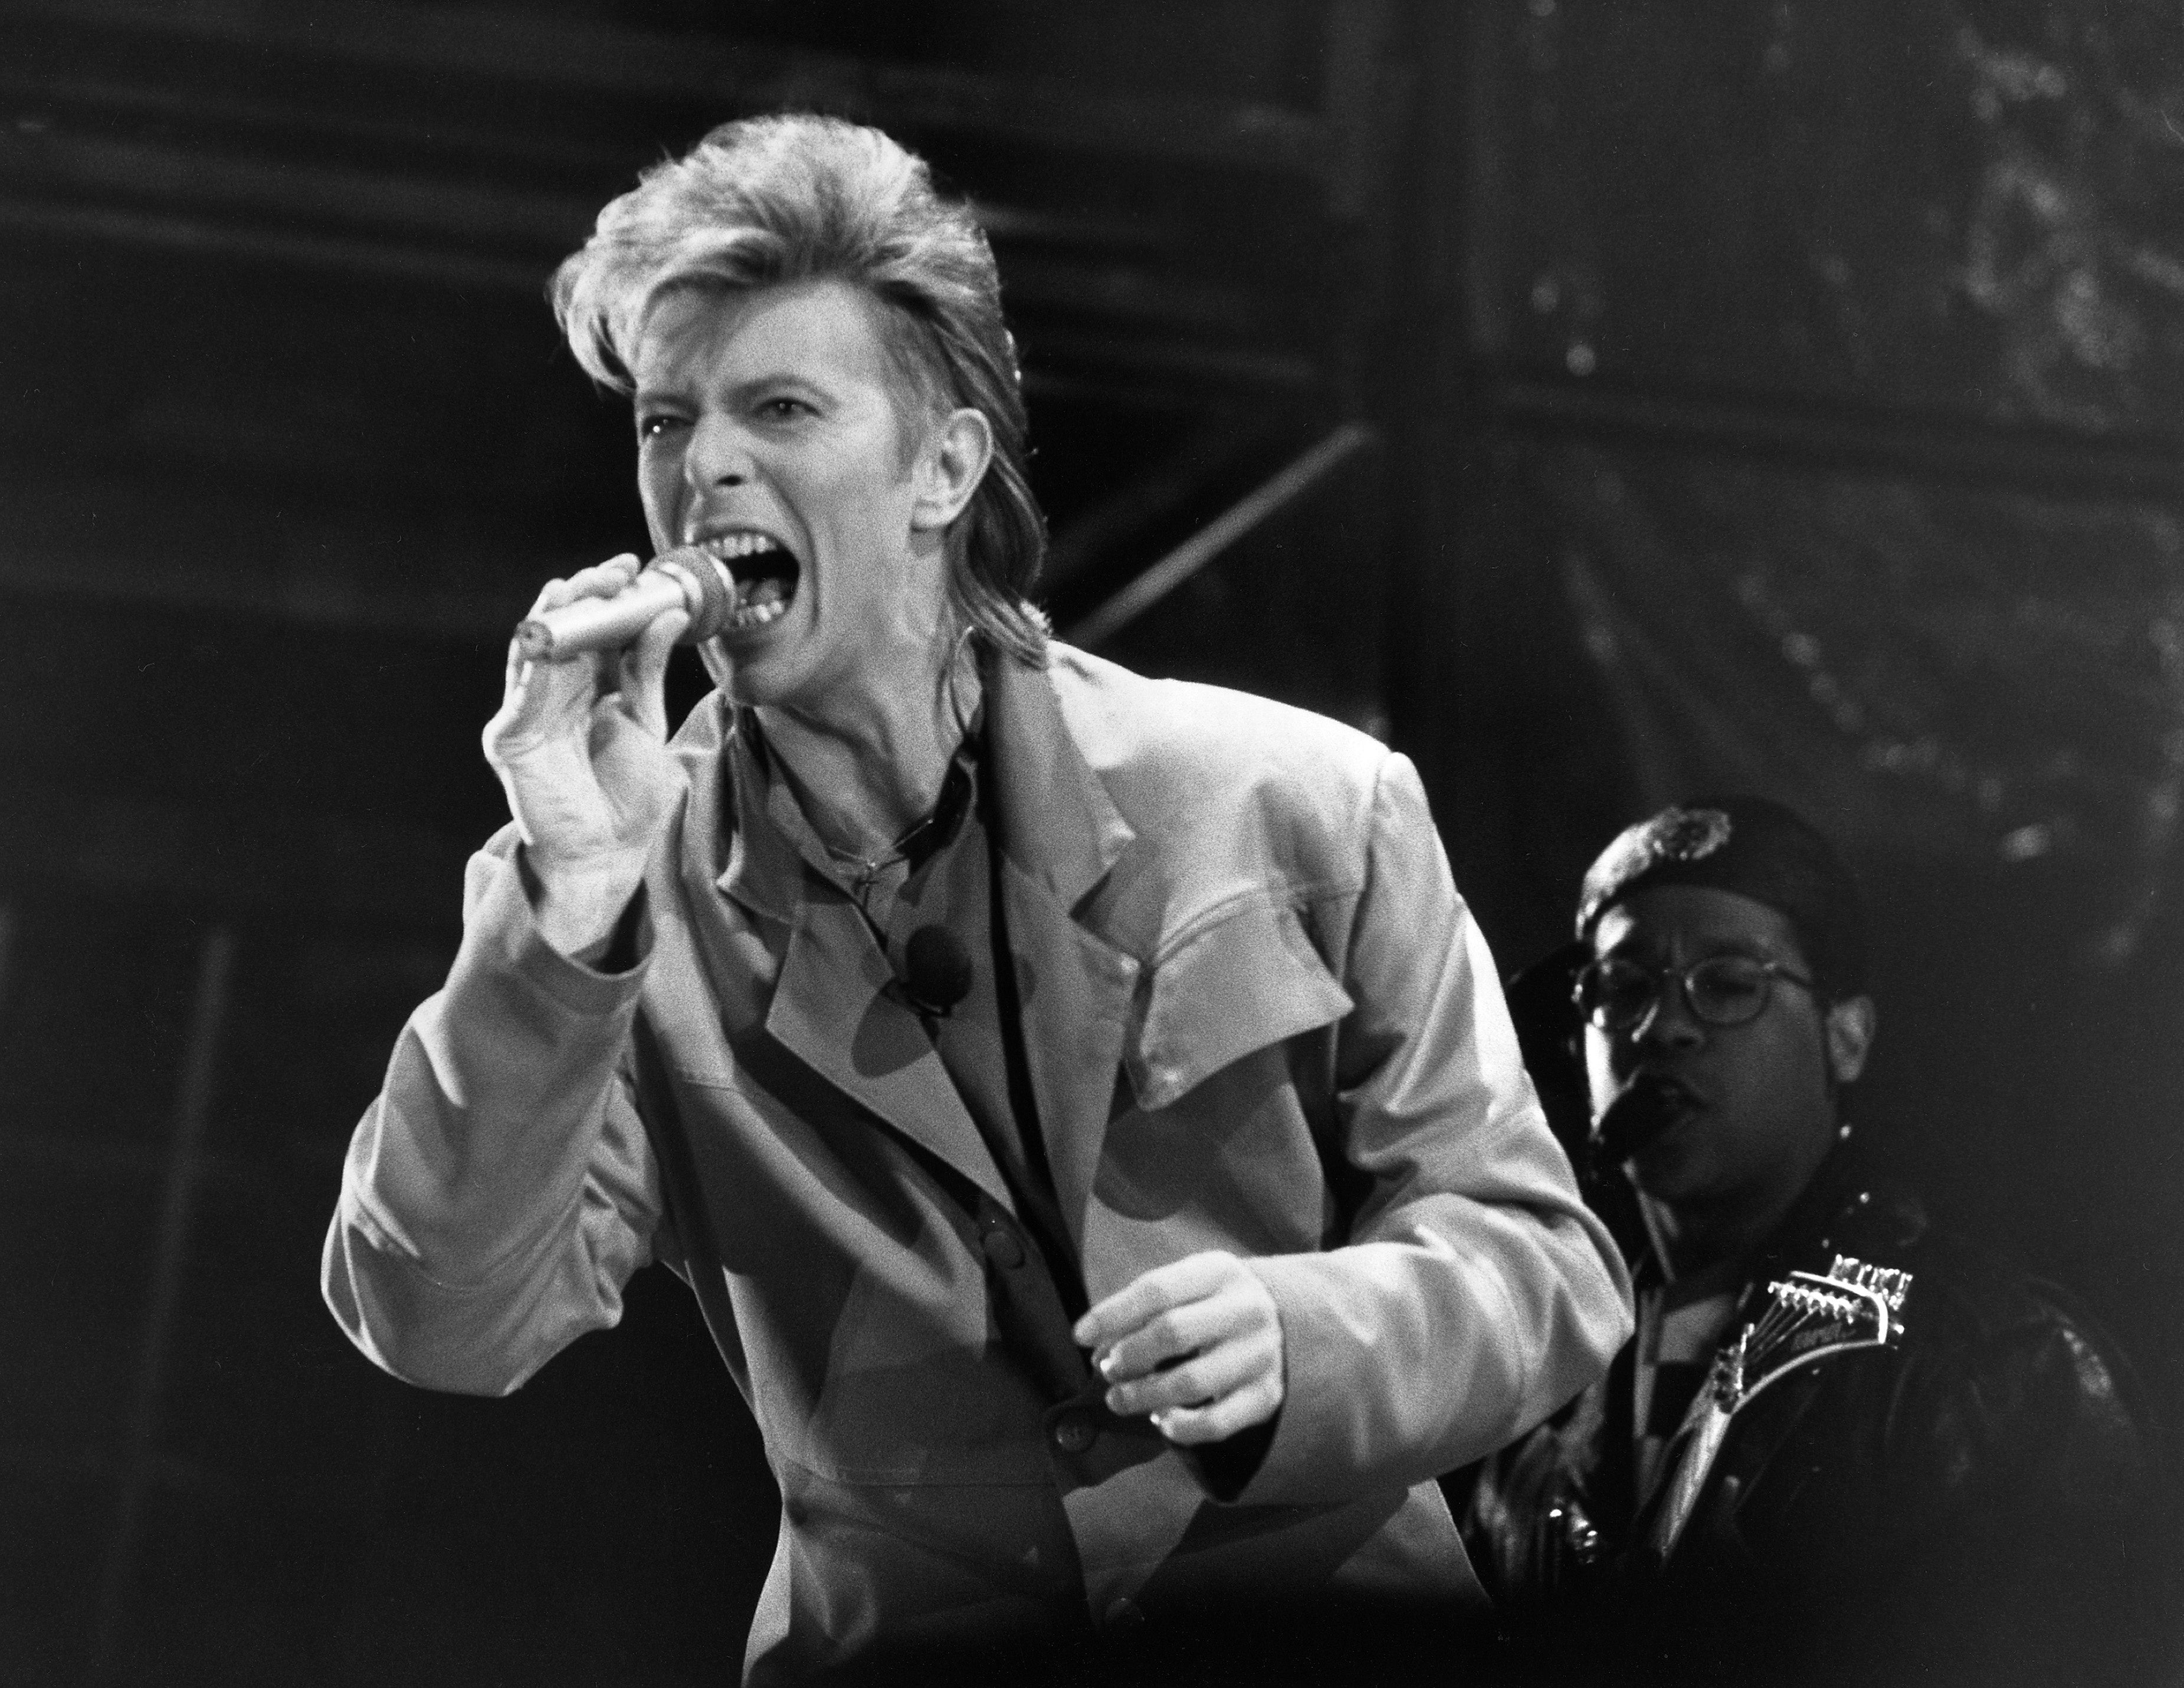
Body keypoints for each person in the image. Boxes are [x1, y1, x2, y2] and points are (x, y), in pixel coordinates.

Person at [320, 113, 1631, 1685]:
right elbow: (435, 1312)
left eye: (778, 407)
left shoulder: (1295, 795)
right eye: (667, 421)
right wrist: (569, 898)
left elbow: (1540, 1259)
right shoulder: (596, 906)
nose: (702, 466)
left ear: (941, 466)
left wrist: (1315, 1333)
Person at [1462, 796, 2163, 1686]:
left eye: (1726, 983)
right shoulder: (1534, 1380)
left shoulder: (1999, 1361)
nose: (1661, 1027)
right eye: (1623, 986)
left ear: (1847, 1036)